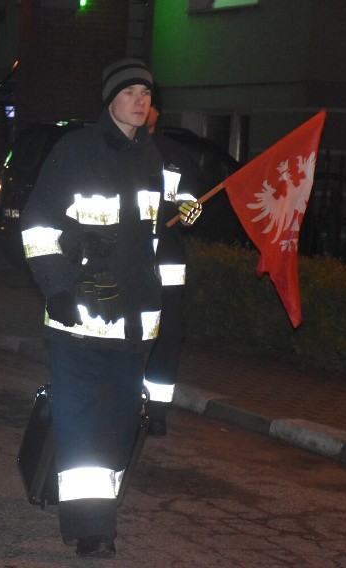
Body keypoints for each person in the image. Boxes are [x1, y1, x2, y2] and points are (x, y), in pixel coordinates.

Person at [19, 58, 166, 559]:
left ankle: (101, 509)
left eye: (146, 91)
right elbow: (38, 225)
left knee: (120, 424)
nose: (141, 99)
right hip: (79, 319)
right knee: (82, 423)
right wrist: (58, 287)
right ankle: (92, 527)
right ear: (110, 99)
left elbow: (149, 240)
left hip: (133, 325)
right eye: (130, 90)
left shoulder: (151, 156)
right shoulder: (75, 150)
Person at [143, 84, 204, 435]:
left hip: (167, 272)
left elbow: (191, 206)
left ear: (157, 112)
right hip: (128, 268)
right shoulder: (122, 153)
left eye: (148, 101)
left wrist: (189, 211)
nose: (142, 106)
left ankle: (157, 412)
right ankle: (126, 404)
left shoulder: (176, 157)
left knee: (166, 340)